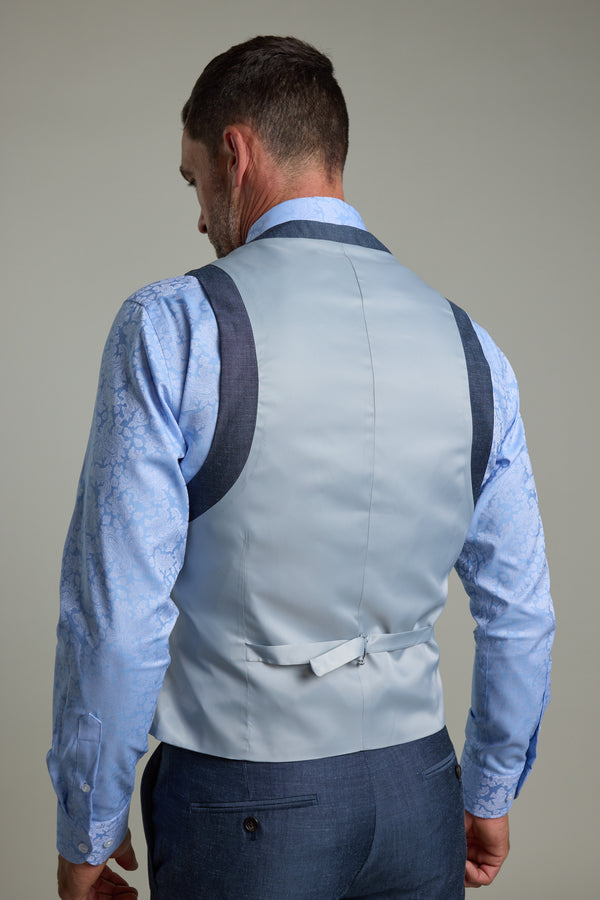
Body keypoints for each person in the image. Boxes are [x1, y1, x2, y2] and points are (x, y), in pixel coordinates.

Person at [48, 36, 554, 900]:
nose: (199, 216)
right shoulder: (472, 345)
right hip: (419, 792)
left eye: (193, 179)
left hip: (245, 802)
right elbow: (522, 611)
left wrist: (88, 825)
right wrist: (490, 787)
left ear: (235, 155)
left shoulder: (173, 327)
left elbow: (118, 618)